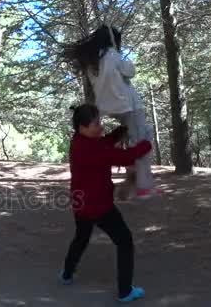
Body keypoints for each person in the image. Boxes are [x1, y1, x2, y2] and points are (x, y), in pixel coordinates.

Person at [60, 104, 151, 303]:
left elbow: (103, 142)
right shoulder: (94, 149)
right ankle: (125, 291)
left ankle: (66, 274)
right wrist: (146, 145)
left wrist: (118, 132)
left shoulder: (78, 140)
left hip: (80, 203)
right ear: (83, 127)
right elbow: (125, 157)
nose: (100, 126)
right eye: (96, 123)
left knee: (81, 238)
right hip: (98, 206)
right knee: (125, 241)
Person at [63, 25, 158, 198]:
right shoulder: (112, 55)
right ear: (112, 40)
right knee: (142, 141)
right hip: (129, 105)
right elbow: (130, 71)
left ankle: (133, 178)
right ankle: (143, 187)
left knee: (132, 138)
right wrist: (121, 57)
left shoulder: (91, 62)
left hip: (108, 107)